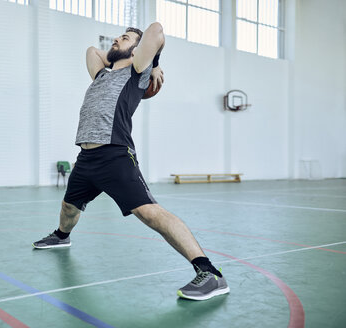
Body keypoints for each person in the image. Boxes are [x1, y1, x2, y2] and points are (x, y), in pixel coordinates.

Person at [33, 22, 229, 301]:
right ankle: (61, 237)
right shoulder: (101, 75)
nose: (116, 40)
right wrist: (120, 47)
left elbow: (157, 30)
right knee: (68, 206)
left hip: (115, 156)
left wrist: (151, 61)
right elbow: (92, 51)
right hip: (86, 157)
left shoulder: (137, 73)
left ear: (139, 51)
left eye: (124, 38)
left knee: (149, 212)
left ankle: (210, 274)